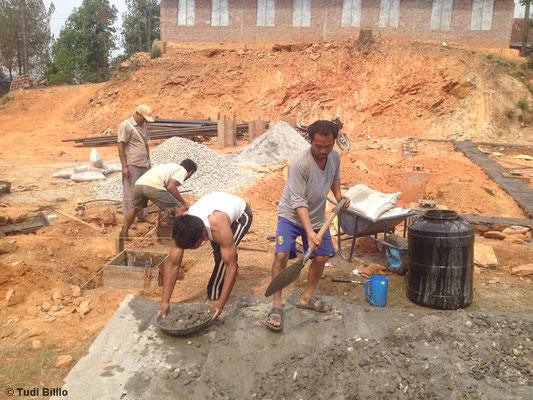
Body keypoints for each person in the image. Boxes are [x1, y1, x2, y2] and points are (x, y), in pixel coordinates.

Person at [266, 120, 350, 332]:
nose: (323, 151)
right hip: (291, 216)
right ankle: (276, 304)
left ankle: (307, 297)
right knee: (282, 255)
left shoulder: (335, 157)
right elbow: (298, 203)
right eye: (318, 146)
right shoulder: (299, 163)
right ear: (310, 140)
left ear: (334, 141)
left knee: (321, 257)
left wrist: (340, 197)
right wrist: (310, 232)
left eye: (328, 146)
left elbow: (334, 179)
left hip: (317, 216)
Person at [157, 192, 253, 324]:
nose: (190, 250)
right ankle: (225, 265)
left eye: (192, 247)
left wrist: (221, 302)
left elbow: (230, 266)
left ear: (203, 233)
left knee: (222, 258)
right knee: (221, 252)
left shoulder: (218, 227)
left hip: (241, 215)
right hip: (215, 207)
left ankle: (214, 296)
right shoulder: (181, 228)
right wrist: (164, 302)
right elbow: (173, 264)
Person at [122, 159, 197, 237]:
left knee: (134, 209)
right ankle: (180, 236)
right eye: (189, 176)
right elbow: (171, 187)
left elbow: (168, 189)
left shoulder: (169, 167)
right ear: (190, 172)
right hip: (153, 186)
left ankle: (124, 233)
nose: (187, 178)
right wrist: (184, 203)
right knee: (180, 208)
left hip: (139, 184)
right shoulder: (183, 170)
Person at [118, 104, 154, 225]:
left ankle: (143, 215)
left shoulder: (144, 125)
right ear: (137, 114)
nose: (144, 120)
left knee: (144, 191)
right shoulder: (126, 125)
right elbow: (121, 145)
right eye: (143, 118)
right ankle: (129, 221)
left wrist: (148, 161)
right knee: (130, 193)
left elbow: (145, 144)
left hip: (145, 163)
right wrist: (124, 166)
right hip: (132, 164)